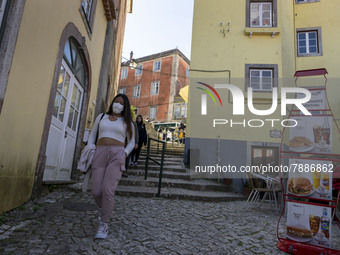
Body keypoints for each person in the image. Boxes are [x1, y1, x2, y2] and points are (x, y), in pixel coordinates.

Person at [87, 94, 135, 239]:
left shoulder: (127, 122)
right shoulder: (101, 117)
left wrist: (124, 154)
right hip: (100, 153)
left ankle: (104, 223)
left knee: (108, 189)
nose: (118, 105)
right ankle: (104, 209)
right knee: (96, 191)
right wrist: (91, 147)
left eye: (121, 103)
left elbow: (131, 141)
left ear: (125, 106)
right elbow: (92, 135)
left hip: (117, 156)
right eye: (116, 102)